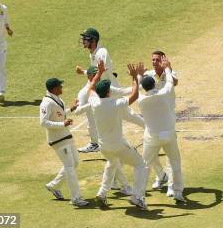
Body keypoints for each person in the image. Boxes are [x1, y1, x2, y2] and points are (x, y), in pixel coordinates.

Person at [80, 61, 149, 210]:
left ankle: (102, 193)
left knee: (112, 164)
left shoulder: (94, 102)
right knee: (141, 165)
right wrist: (135, 77)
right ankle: (137, 197)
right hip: (118, 145)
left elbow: (90, 87)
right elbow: (135, 94)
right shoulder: (116, 103)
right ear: (109, 92)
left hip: (104, 147)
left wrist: (98, 73)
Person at [137, 53, 185, 202]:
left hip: (160, 124)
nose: (155, 62)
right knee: (173, 160)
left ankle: (142, 194)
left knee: (145, 163)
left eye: (157, 59)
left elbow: (137, 89)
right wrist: (167, 70)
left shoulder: (141, 99)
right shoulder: (163, 91)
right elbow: (170, 84)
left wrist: (137, 76)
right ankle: (165, 180)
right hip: (165, 127)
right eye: (153, 60)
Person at [77, 28, 144, 130]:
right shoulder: (92, 53)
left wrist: (84, 72)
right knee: (124, 114)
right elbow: (97, 72)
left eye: (85, 38)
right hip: (103, 88)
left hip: (110, 89)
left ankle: (140, 83)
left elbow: (100, 70)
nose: (83, 41)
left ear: (93, 40)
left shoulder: (101, 52)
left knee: (127, 115)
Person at [40, 78, 89, 207]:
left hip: (66, 136)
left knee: (74, 163)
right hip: (58, 139)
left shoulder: (58, 100)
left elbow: (60, 114)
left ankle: (53, 186)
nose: (62, 87)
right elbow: (43, 122)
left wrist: (71, 109)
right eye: (60, 86)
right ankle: (76, 198)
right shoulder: (46, 103)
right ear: (55, 88)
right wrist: (62, 124)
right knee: (69, 167)